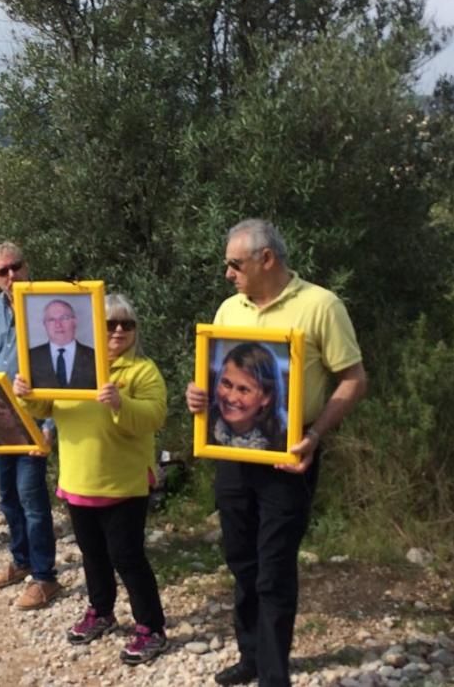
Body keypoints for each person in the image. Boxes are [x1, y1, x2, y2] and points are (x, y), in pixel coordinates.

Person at [185, 219, 367, 687]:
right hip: (231, 453)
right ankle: (250, 656)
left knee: (274, 565)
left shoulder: (321, 305)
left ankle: (273, 673)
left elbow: (353, 379)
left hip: (291, 455)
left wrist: (316, 435)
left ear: (266, 259)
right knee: (241, 559)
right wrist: (198, 396)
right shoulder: (229, 310)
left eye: (235, 264)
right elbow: (214, 378)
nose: (228, 273)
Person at [14, 293, 170, 665]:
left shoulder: (142, 371)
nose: (118, 330)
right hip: (78, 478)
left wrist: (120, 403)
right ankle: (101, 611)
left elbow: (154, 417)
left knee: (127, 557)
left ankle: (151, 627)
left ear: (135, 330)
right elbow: (46, 405)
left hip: (124, 482)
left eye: (126, 324)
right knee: (92, 553)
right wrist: (26, 395)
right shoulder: (72, 364)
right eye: (109, 324)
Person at [0, 241, 60, 611]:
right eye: (2, 272)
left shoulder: (48, 308)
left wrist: (52, 423)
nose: (11, 276)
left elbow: (62, 366)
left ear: (26, 265)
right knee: (7, 496)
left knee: (33, 499)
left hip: (35, 417)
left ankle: (45, 577)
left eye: (15, 267)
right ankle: (21, 561)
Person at [209, 342, 287, 451]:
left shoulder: (284, 444)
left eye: (243, 390)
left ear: (267, 397)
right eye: (226, 384)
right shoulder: (202, 424)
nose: (231, 398)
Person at [28, 299, 97, 389]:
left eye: (64, 318)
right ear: (45, 324)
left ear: (75, 321)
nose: (58, 325)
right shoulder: (30, 357)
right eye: (51, 320)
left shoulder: (95, 356)